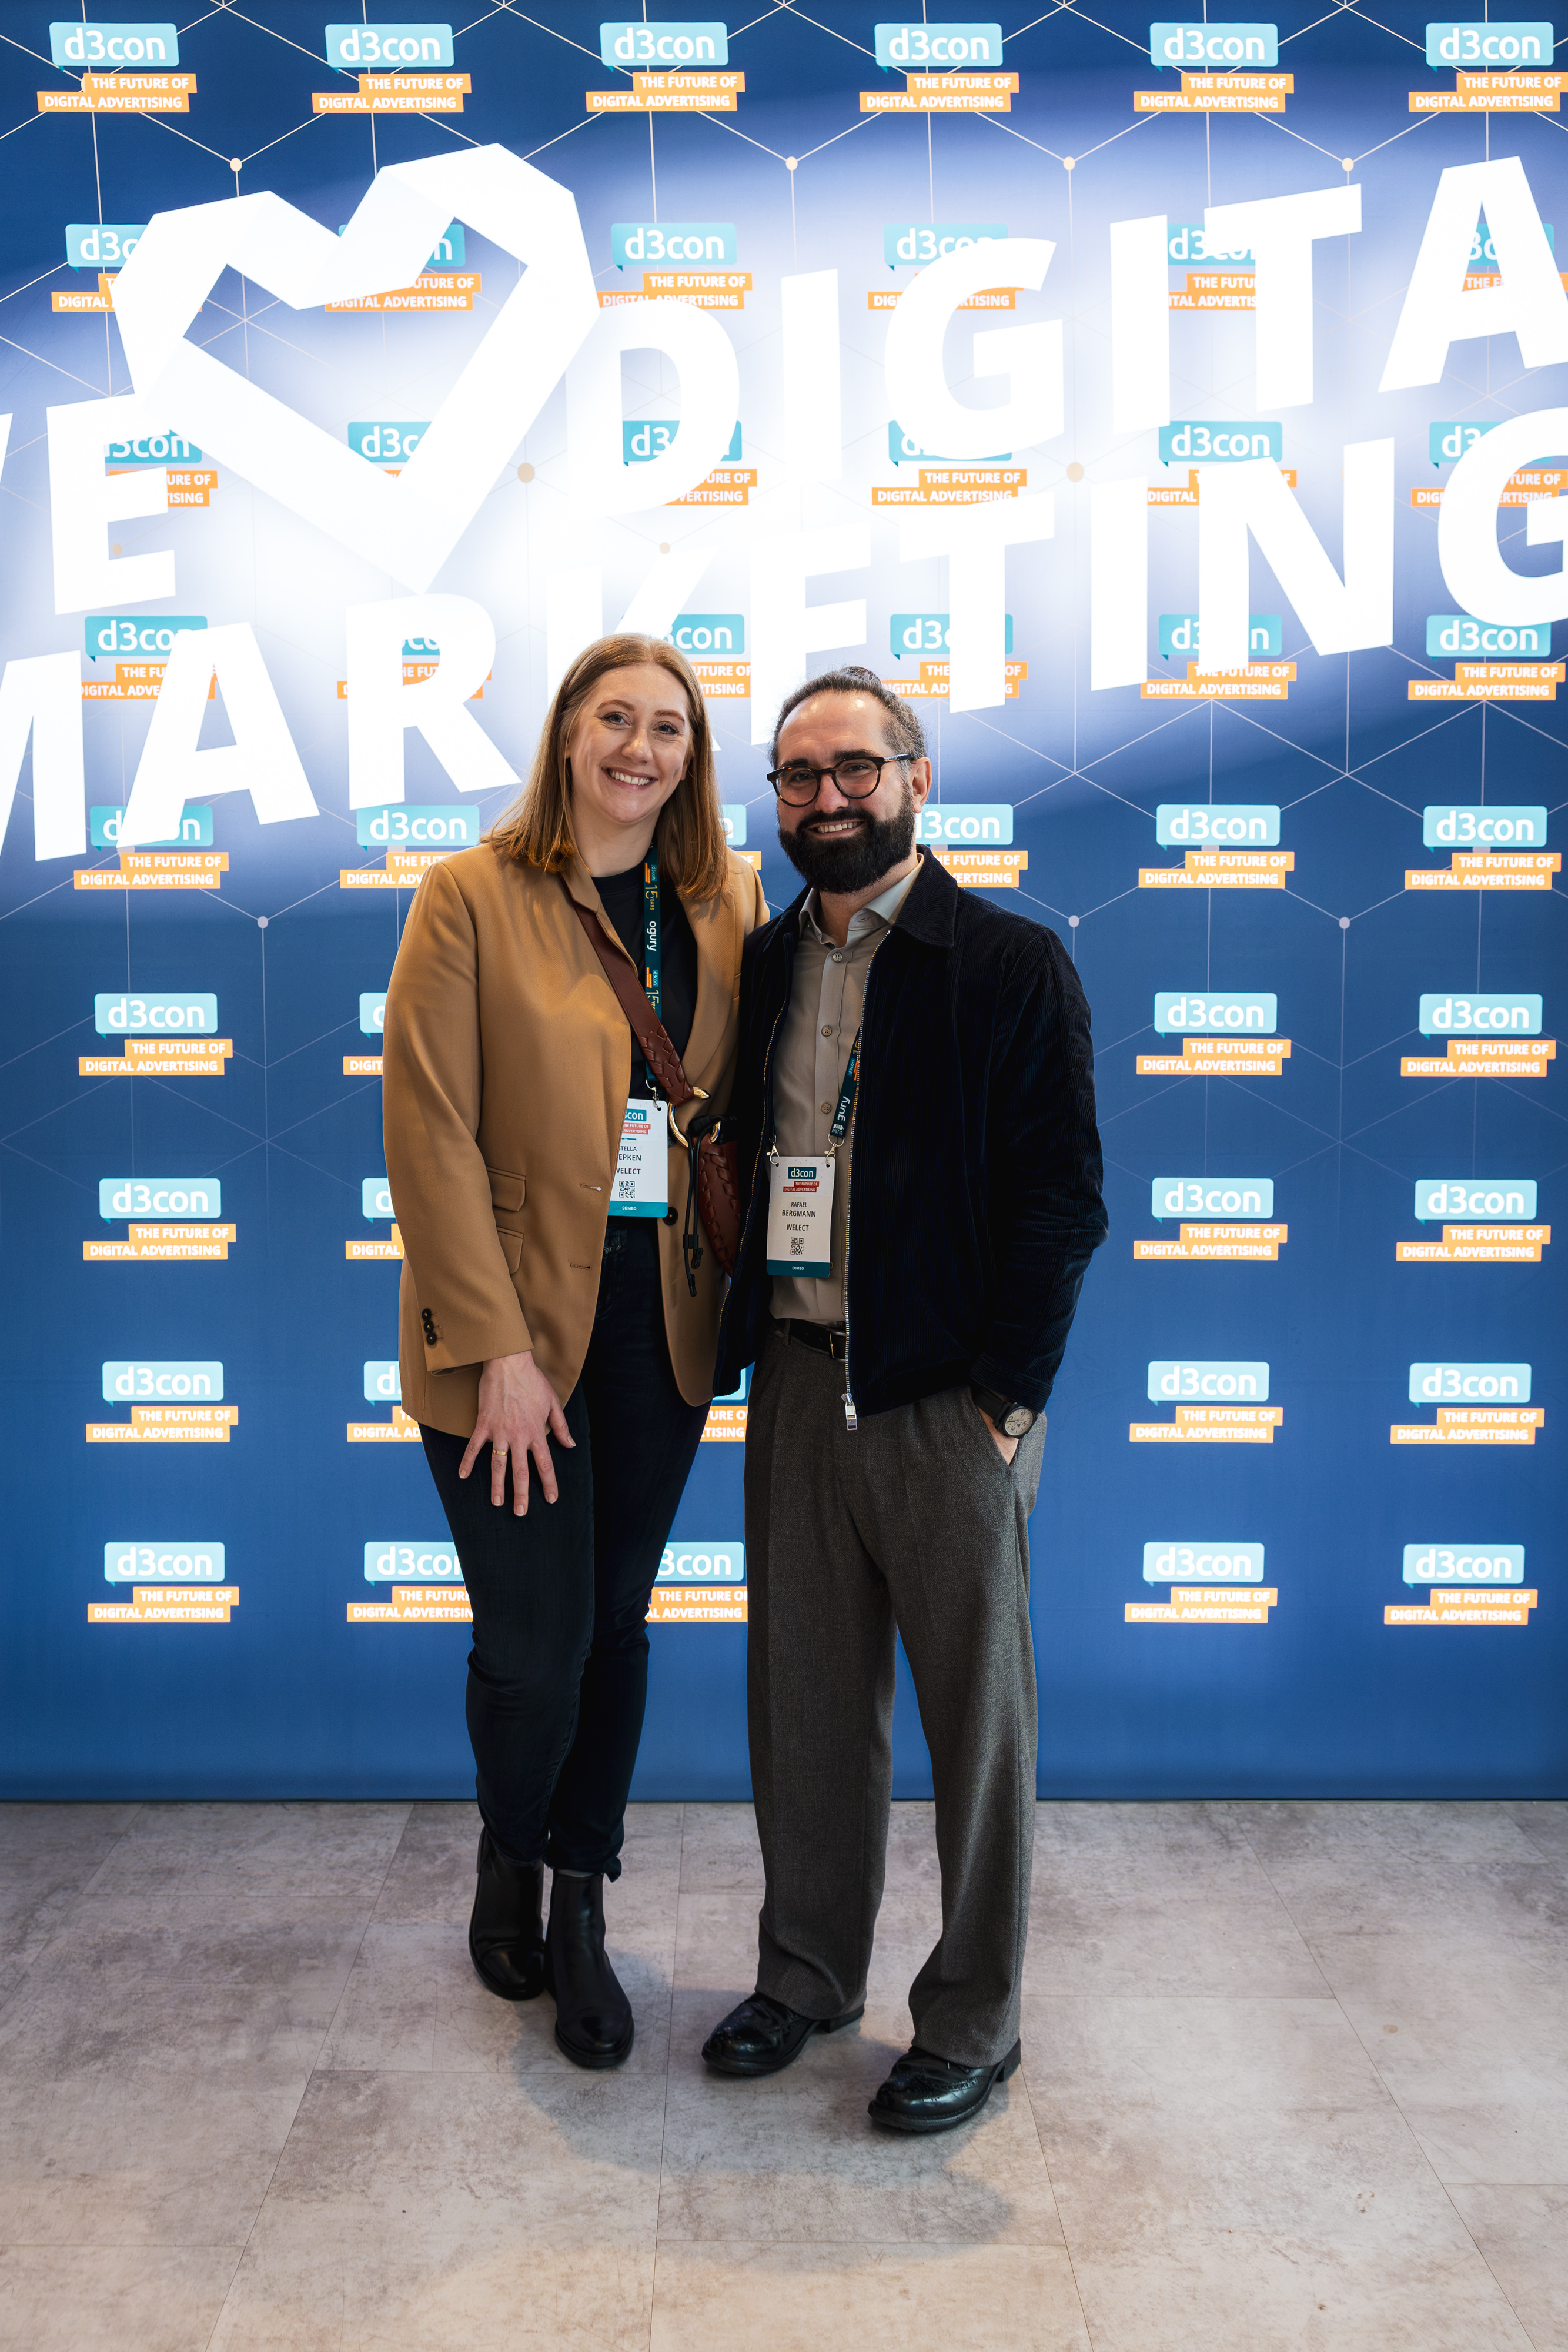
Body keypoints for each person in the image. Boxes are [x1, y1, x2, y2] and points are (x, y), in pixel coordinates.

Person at [700, 666, 1107, 2133]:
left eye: (855, 768)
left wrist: (1004, 1402)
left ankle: (974, 2021)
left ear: (916, 777)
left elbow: (1062, 1201)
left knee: (976, 1735)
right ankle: (807, 1974)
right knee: (804, 1713)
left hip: (945, 1407)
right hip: (799, 1383)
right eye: (798, 775)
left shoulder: (1006, 961)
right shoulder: (761, 963)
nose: (826, 797)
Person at [383, 633, 766, 2070]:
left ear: (690, 756)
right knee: (533, 1644)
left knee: (613, 1619)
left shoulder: (724, 895)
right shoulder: (469, 893)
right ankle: (508, 1844)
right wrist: (494, 1346)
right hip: (510, 1325)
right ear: (564, 733)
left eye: (668, 727)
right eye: (614, 717)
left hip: (661, 1316)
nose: (639, 748)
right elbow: (428, 1127)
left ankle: (579, 1892)